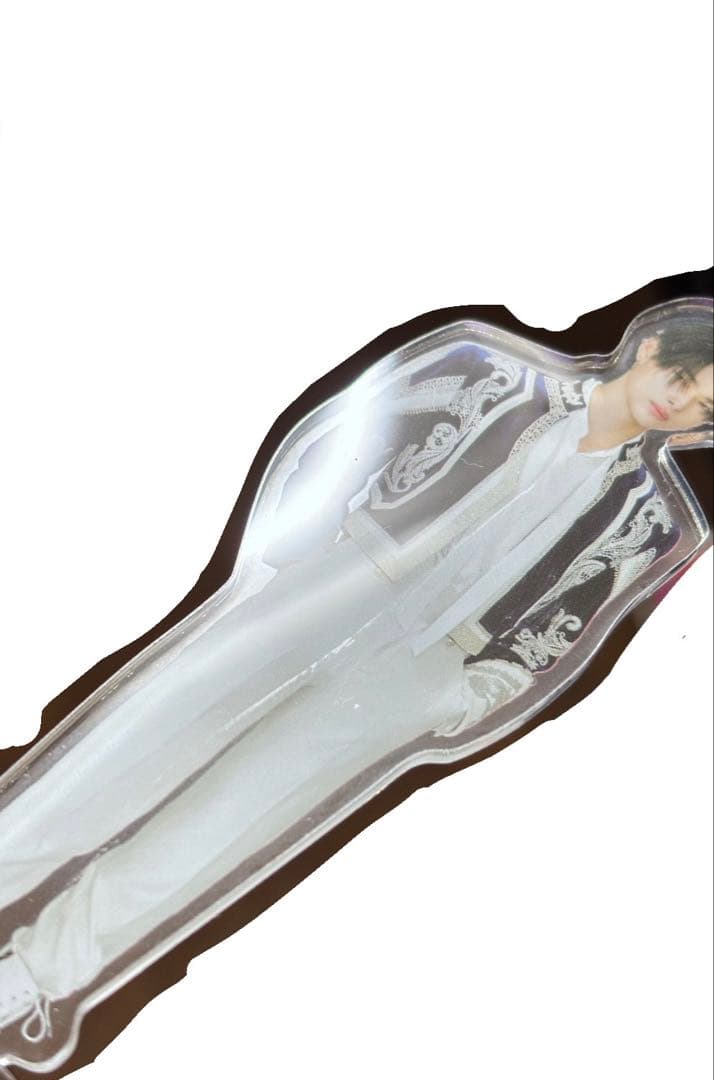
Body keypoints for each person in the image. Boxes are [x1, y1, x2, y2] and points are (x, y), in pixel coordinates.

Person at [1, 299, 712, 1062]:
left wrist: (469, 692)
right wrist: (301, 543)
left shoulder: (645, 516)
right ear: (650, 347)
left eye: (704, 407)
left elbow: (570, 622)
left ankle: (37, 974)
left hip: (423, 667)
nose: (678, 404)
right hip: (342, 577)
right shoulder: (504, 380)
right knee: (138, 743)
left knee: (229, 820)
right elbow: (350, 432)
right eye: (683, 377)